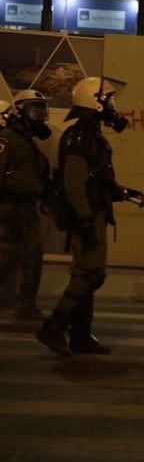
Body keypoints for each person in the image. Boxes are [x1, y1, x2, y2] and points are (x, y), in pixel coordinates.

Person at [36, 76, 142, 357]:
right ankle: (54, 327)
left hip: (93, 211)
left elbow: (97, 178)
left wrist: (123, 192)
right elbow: (74, 183)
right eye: (108, 100)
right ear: (94, 102)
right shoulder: (81, 136)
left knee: (88, 272)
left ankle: (81, 336)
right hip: (88, 214)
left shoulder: (90, 133)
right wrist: (84, 216)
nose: (112, 106)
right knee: (90, 274)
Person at [0, 91, 51, 321]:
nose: (39, 115)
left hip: (26, 207)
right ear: (20, 110)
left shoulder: (27, 141)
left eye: (42, 109)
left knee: (32, 256)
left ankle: (27, 305)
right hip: (9, 207)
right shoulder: (8, 138)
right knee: (7, 256)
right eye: (34, 109)